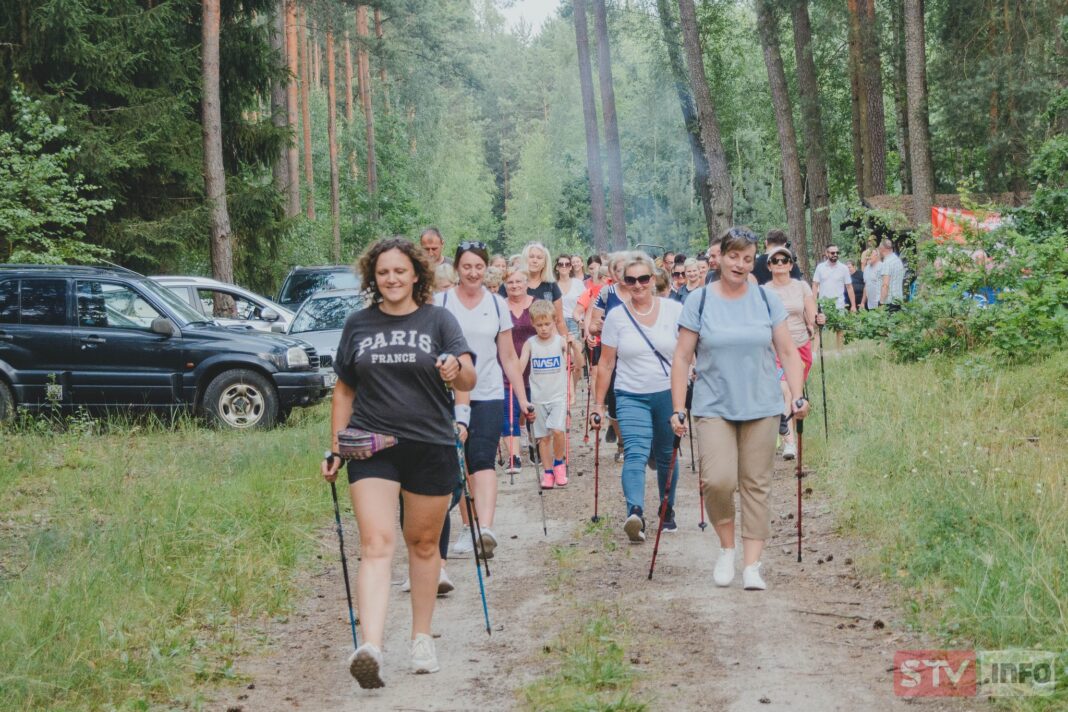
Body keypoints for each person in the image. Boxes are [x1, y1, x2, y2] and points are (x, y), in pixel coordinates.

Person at [322, 237, 477, 687]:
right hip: (371, 445)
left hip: (430, 444)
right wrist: (336, 447)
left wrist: (455, 370)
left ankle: (421, 637)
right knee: (376, 543)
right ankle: (370, 646)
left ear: (415, 275)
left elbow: (469, 376)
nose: (391, 279)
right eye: (383, 272)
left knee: (424, 545)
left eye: (399, 271)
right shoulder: (358, 324)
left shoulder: (438, 320)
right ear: (373, 278)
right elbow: (344, 391)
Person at [670, 226, 809, 592]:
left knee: (756, 484)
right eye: (733, 256)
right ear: (718, 258)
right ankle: (726, 548)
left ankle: (751, 566)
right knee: (718, 480)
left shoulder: (765, 300)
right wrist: (678, 407)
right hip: (713, 404)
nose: (740, 264)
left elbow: (788, 351)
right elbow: (682, 357)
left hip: (762, 404)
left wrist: (797, 395)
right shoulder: (699, 301)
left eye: (748, 259)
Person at [435, 241, 532, 559]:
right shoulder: (441, 302)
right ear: (457, 268)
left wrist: (522, 399)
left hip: (489, 391)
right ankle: (468, 526)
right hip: (448, 395)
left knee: (482, 460)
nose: (473, 272)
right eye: (467, 266)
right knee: (459, 463)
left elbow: (508, 356)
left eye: (479, 266)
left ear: (486, 268)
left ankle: (485, 529)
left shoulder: (497, 304)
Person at [590, 252, 684, 542]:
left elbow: (686, 353)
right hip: (630, 394)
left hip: (667, 392)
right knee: (635, 452)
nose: (638, 285)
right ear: (623, 282)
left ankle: (667, 509)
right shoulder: (616, 317)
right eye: (631, 280)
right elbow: (606, 363)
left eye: (643, 278)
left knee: (666, 454)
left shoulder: (673, 310)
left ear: (653, 279)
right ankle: (635, 512)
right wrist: (599, 404)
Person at [763, 245, 823, 459]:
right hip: (775, 348)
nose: (780, 264)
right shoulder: (764, 291)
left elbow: (811, 313)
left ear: (791, 265)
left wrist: (817, 320)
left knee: (796, 398)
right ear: (769, 266)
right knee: (785, 390)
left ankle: (783, 427)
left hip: (801, 346)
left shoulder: (801, 287)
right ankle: (789, 442)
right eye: (775, 261)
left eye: (784, 260)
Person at [519, 300, 570, 489]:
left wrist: (574, 346)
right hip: (538, 398)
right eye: (539, 325)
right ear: (533, 324)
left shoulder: (560, 342)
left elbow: (577, 363)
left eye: (547, 324)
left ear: (554, 321)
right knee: (543, 437)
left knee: (557, 431)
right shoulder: (530, 344)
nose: (544, 328)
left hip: (558, 396)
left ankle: (559, 464)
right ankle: (548, 472)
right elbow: (520, 367)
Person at [500, 268, 535, 476]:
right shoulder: (499, 305)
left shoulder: (536, 304)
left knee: (532, 409)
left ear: (526, 283)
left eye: (518, 281)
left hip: (534, 368)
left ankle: (535, 445)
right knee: (507, 411)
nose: (514, 285)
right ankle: (514, 456)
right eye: (510, 282)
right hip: (505, 365)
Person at [522, 242, 570, 341]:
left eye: (539, 258)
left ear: (545, 263)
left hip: (547, 342)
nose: (535, 260)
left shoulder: (551, 286)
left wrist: (566, 343)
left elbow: (559, 320)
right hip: (520, 340)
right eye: (531, 256)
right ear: (525, 259)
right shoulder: (515, 284)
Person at [812, 244, 856, 348]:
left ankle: (839, 353)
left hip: (839, 304)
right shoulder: (820, 267)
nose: (835, 254)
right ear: (826, 254)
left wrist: (853, 305)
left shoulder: (844, 268)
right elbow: (815, 285)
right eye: (832, 253)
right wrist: (814, 303)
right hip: (823, 304)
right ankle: (814, 352)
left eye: (837, 252)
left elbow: (849, 287)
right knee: (818, 328)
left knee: (839, 329)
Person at [556, 253, 585, 394]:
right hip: (558, 322)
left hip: (574, 322)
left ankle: (571, 390)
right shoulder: (553, 285)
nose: (564, 266)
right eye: (561, 264)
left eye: (567, 264)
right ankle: (564, 391)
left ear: (570, 267)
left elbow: (585, 302)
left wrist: (582, 320)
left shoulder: (578, 284)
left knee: (577, 360)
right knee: (562, 359)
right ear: (556, 267)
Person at [878, 238, 906, 311]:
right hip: (898, 300)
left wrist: (881, 302)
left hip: (889, 302)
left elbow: (885, 285)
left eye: (879, 248)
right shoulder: (898, 261)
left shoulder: (887, 263)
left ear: (882, 249)